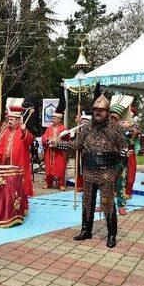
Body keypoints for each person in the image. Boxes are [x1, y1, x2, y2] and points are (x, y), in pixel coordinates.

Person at [55, 94, 126, 248]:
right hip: (88, 170)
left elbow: (123, 151)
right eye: (95, 110)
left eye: (101, 110)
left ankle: (111, 235)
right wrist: (59, 144)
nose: (97, 113)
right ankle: (86, 230)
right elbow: (77, 145)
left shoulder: (115, 129)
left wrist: (118, 170)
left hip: (107, 171)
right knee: (87, 202)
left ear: (107, 111)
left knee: (107, 203)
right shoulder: (87, 128)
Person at [0, 106, 35, 198]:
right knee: (7, 185)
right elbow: (0, 146)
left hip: (18, 163)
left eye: (11, 119)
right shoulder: (5, 131)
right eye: (8, 119)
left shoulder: (22, 130)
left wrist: (24, 132)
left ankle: (21, 205)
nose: (9, 121)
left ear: (18, 120)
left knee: (19, 185)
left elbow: (29, 140)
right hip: (6, 163)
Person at [41, 112, 69, 190]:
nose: (53, 120)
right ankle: (48, 183)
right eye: (52, 118)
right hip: (49, 151)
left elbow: (67, 140)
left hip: (59, 152)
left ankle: (61, 184)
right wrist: (47, 139)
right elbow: (44, 138)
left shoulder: (63, 129)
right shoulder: (49, 128)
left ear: (59, 120)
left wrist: (58, 141)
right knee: (48, 167)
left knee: (60, 167)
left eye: (54, 118)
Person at [75, 111, 92, 191]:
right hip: (80, 152)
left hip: (89, 152)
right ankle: (80, 185)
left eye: (86, 121)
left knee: (88, 169)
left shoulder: (92, 130)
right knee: (79, 169)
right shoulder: (78, 130)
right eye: (83, 120)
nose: (83, 122)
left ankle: (88, 185)